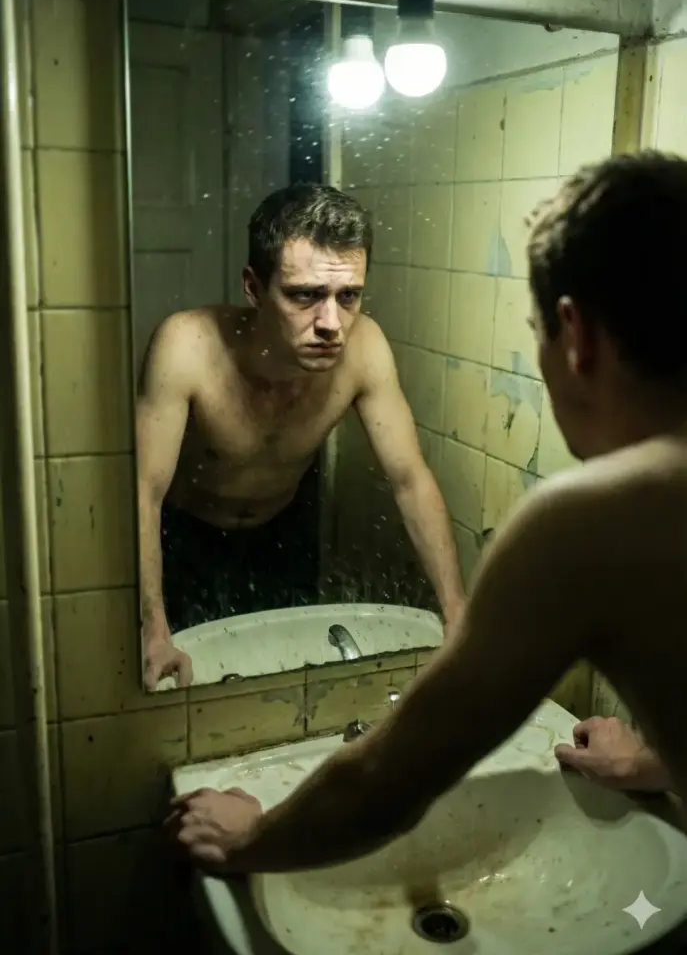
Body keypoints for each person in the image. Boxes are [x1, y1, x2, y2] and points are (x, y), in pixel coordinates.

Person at [168, 152, 686, 874]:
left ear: (577, 337)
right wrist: (659, 758)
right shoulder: (188, 346)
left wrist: (250, 838)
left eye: (535, 329)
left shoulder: (587, 523)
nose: (330, 322)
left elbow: (387, 785)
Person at [138, 183, 467, 689]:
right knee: (185, 690)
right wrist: (151, 624)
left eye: (348, 296)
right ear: (253, 287)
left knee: (283, 683)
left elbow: (410, 479)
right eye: (305, 296)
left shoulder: (365, 348)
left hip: (284, 533)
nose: (332, 323)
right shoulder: (188, 346)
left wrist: (457, 611)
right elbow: (144, 492)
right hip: (185, 539)